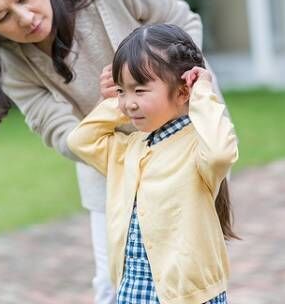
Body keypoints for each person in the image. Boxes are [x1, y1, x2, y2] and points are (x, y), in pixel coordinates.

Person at [0, 0, 229, 303]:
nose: (26, 18)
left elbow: (182, 20)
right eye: (2, 17)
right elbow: (63, 135)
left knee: (191, 279)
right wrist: (111, 108)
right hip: (110, 167)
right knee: (112, 286)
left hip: (185, 149)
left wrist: (164, 80)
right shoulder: (9, 63)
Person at [67, 24, 239, 304]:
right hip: (133, 291)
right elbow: (80, 140)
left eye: (140, 90)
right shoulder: (130, 150)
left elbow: (221, 153)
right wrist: (115, 104)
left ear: (183, 92)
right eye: (123, 90)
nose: (129, 102)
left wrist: (202, 94)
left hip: (188, 296)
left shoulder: (198, 148)